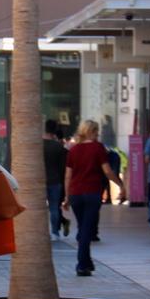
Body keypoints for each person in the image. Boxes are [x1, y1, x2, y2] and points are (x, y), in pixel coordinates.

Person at [63, 120, 126, 277]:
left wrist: (67, 196)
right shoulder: (97, 148)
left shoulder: (74, 150)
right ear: (92, 131)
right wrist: (120, 184)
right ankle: (82, 264)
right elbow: (107, 171)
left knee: (83, 227)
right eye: (96, 131)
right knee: (86, 229)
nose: (98, 134)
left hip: (76, 193)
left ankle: (87, 262)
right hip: (92, 193)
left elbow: (68, 176)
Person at [44, 119, 69, 239]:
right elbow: (62, 168)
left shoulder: (38, 146)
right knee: (54, 207)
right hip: (55, 181)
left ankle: (43, 232)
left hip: (41, 182)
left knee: (39, 209)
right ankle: (55, 232)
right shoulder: (59, 147)